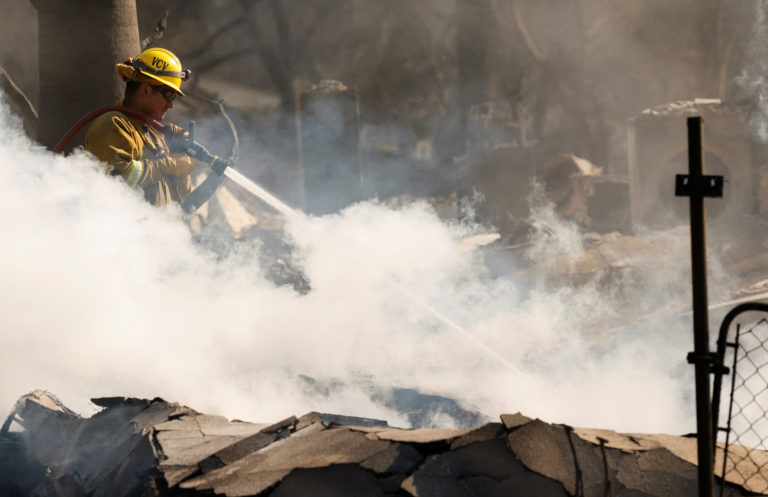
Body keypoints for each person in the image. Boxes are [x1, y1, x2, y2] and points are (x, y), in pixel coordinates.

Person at [85, 47, 196, 207]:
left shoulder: (154, 136)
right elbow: (119, 179)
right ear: (146, 90)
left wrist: (178, 155)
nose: (171, 105)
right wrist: (170, 164)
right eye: (169, 95)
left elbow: (180, 196)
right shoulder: (113, 124)